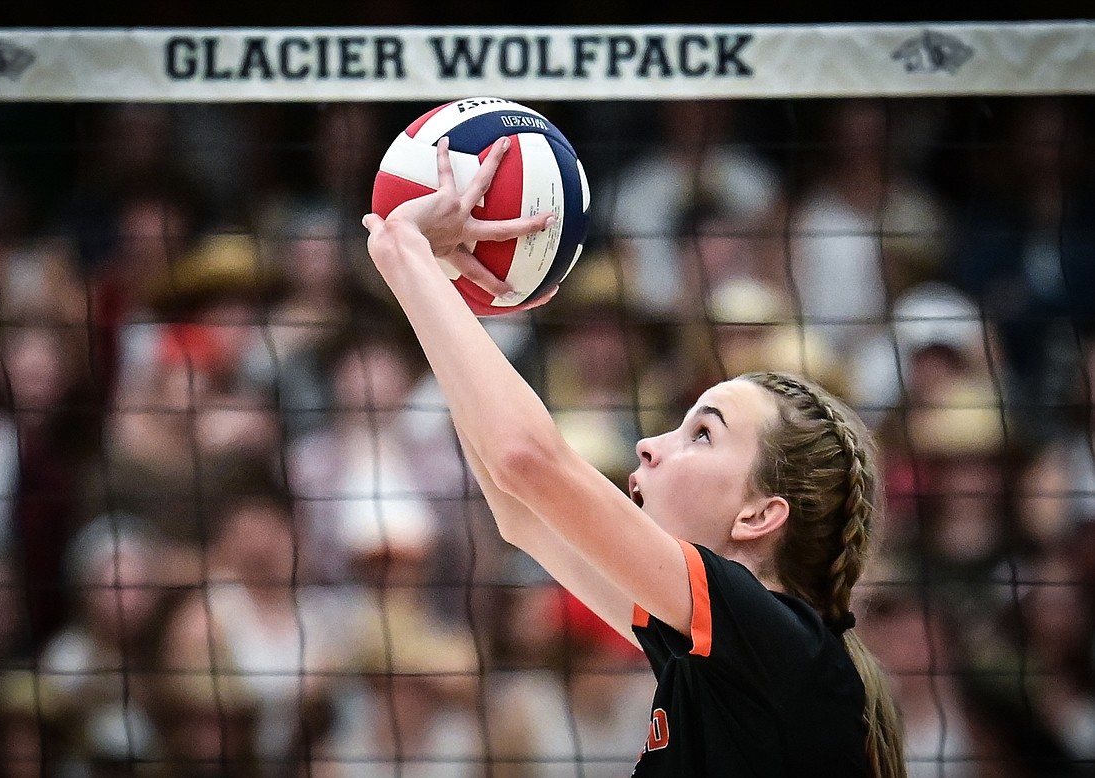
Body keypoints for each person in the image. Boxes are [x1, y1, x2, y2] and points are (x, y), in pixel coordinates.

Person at [359, 137, 906, 776]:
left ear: (759, 515)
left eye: (702, 433)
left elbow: (526, 461)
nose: (650, 443)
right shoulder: (712, 643)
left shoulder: (780, 637)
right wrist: (437, 291)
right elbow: (521, 514)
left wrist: (409, 255)